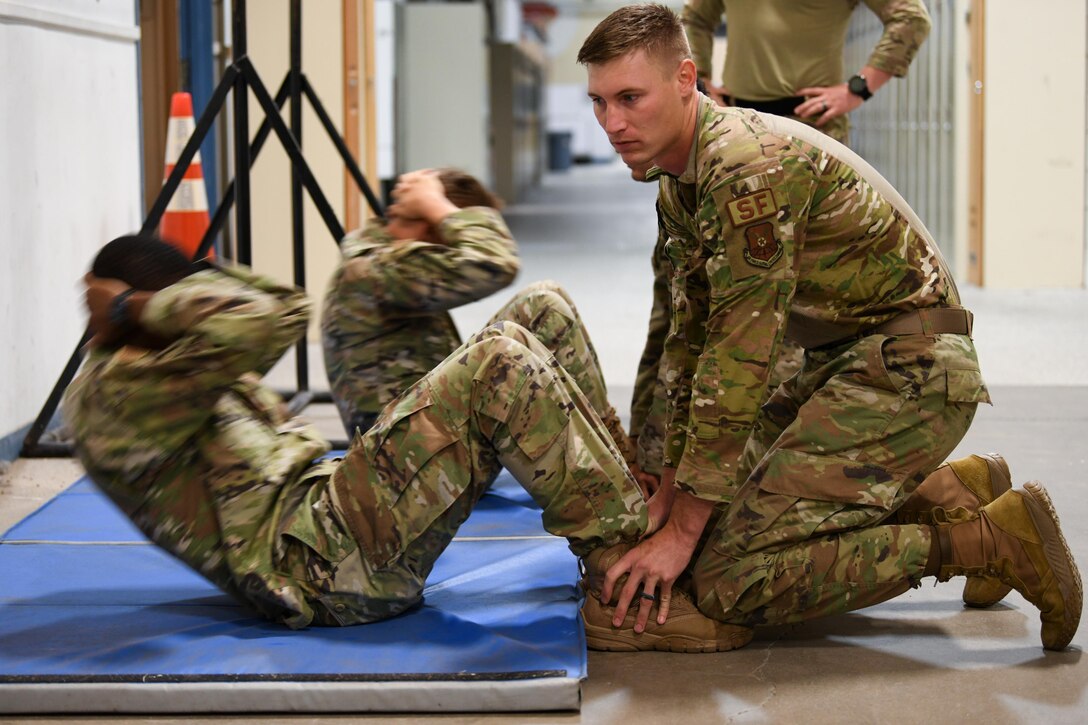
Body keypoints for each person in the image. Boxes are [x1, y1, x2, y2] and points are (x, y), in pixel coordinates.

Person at [576, 4, 1080, 651]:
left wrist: (680, 531)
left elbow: (740, 355)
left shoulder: (742, 166)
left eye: (629, 97)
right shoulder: (682, 178)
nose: (612, 123)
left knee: (731, 576)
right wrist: (672, 489)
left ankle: (990, 540)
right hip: (847, 362)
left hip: (911, 368)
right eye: (598, 102)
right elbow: (689, 342)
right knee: (712, 520)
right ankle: (946, 493)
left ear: (685, 79)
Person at [66, 234, 726, 643]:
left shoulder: (160, 357)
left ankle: (633, 503)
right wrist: (131, 307)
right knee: (498, 362)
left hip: (332, 512)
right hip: (319, 572)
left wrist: (176, 291)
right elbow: (274, 317)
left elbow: (281, 306)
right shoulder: (118, 398)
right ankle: (627, 590)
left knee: (540, 310)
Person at [322, 168, 520, 436]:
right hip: (408, 462)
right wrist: (435, 204)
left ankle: (589, 444)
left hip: (435, 439)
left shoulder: (387, 261)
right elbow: (495, 263)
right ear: (434, 227)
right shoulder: (377, 269)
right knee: (541, 306)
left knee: (534, 312)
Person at [681, 0, 931, 145]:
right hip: (735, 124)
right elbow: (695, 18)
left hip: (811, 131)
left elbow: (911, 18)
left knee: (816, 235)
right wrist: (703, 85)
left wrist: (858, 89)